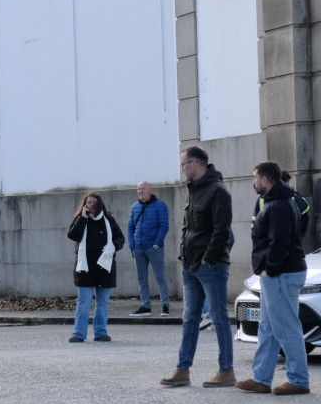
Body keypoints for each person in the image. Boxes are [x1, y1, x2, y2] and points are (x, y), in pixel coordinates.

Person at [161, 146, 235, 388]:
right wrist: (186, 254)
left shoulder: (217, 191)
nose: (182, 169)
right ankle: (183, 369)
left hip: (209, 265)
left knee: (219, 318)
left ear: (195, 164)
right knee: (189, 319)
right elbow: (188, 227)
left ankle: (226, 371)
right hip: (191, 264)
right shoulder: (193, 190)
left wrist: (208, 258)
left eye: (184, 164)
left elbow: (222, 230)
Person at [236, 161, 310, 396]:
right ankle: (261, 378)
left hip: (281, 274)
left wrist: (270, 268)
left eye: (255, 178)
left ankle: (298, 381)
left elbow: (279, 241)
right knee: (268, 327)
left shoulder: (278, 205)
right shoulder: (279, 201)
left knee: (286, 328)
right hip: (280, 273)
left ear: (265, 180)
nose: (253, 182)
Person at [67, 191, 125, 343]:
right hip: (85, 268)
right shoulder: (80, 219)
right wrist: (83, 218)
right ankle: (78, 333)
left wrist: (113, 247)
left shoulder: (109, 220)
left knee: (103, 302)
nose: (91, 205)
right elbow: (73, 235)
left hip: (104, 267)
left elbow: (120, 238)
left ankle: (100, 332)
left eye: (94, 202)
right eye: (88, 202)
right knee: (83, 301)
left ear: (99, 204)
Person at [127, 181, 171, 317]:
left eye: (143, 189)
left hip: (154, 248)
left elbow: (164, 226)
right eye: (138, 189)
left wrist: (156, 243)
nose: (140, 191)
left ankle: (165, 306)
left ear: (150, 190)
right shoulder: (134, 207)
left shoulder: (160, 205)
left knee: (160, 277)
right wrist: (132, 245)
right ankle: (145, 306)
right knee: (142, 279)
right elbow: (130, 227)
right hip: (138, 249)